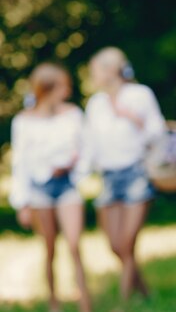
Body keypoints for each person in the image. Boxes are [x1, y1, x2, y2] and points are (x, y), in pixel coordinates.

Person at [76, 47, 165, 300]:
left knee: (126, 243)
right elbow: (89, 143)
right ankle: (145, 292)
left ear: (109, 70)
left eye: (94, 71)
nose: (92, 76)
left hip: (136, 173)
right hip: (108, 177)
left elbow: (157, 134)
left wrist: (131, 117)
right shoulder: (96, 104)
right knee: (115, 246)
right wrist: (80, 176)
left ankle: (124, 302)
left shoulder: (140, 95)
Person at [10, 62, 91, 312]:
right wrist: (22, 202)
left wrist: (75, 171)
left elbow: (86, 150)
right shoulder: (23, 121)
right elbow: (20, 163)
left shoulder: (73, 115)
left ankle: (85, 304)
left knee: (75, 244)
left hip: (66, 185)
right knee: (49, 249)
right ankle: (54, 303)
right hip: (38, 190)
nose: (67, 90)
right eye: (62, 86)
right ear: (47, 89)